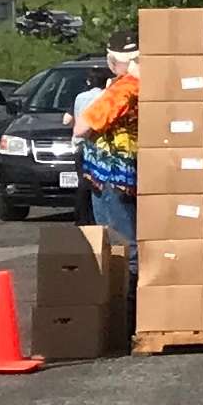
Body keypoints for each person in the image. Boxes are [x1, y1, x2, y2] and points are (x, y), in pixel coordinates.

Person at [75, 34, 142, 251]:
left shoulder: (125, 88)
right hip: (124, 172)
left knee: (119, 241)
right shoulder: (143, 83)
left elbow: (82, 127)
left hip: (112, 174)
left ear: (112, 60)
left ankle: (126, 284)